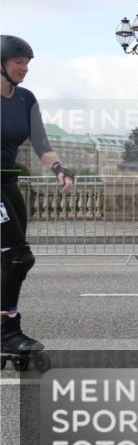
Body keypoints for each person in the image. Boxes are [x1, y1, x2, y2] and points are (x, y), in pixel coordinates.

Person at [1, 34, 74, 356]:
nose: (24, 68)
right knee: (18, 255)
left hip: (8, 182)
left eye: (28, 63)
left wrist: (60, 169)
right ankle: (7, 332)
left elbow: (41, 143)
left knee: (11, 259)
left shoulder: (25, 99)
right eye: (19, 62)